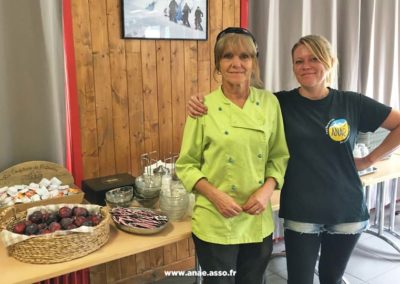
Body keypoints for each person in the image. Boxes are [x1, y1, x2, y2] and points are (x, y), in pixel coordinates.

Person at [187, 34, 400, 284]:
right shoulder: (279, 102)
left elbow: (397, 125)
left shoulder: (350, 101)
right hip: (302, 211)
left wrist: (369, 160)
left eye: (313, 59)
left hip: (346, 209)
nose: (306, 66)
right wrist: (198, 101)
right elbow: (238, 105)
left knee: (333, 278)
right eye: (299, 61)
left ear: (329, 61)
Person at [176, 27, 290, 284]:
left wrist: (266, 191)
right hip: (215, 220)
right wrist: (216, 196)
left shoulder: (270, 103)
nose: (236, 63)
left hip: (256, 218)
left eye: (244, 56)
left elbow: (279, 156)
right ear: (218, 64)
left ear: (254, 62)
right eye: (228, 56)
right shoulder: (203, 106)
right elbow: (186, 164)